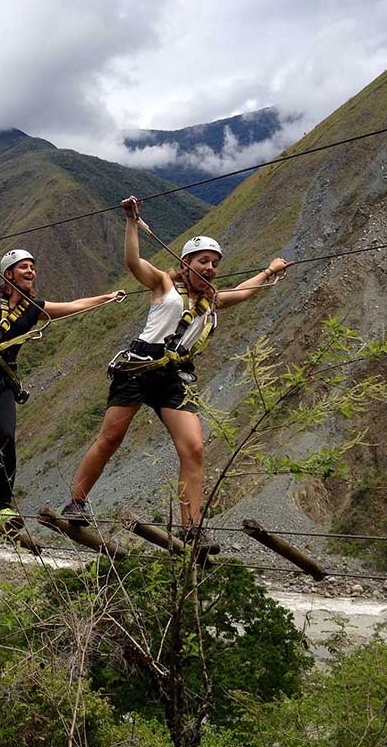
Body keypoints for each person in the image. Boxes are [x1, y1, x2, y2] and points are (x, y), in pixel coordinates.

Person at [61, 196, 291, 540]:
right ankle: (76, 503)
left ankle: (191, 529)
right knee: (111, 438)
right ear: (185, 264)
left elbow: (243, 292)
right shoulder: (163, 285)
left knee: (194, 448)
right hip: (140, 366)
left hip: (174, 376)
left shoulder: (211, 300)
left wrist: (270, 271)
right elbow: (133, 262)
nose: (210, 267)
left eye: (214, 262)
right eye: (203, 261)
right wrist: (130, 222)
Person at [0, 240, 123, 519]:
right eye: (24, 267)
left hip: (0, 377)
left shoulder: (35, 308)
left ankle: (5, 506)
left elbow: (74, 306)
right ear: (8, 273)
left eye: (33, 267)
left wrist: (105, 298)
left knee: (6, 436)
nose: (31, 271)